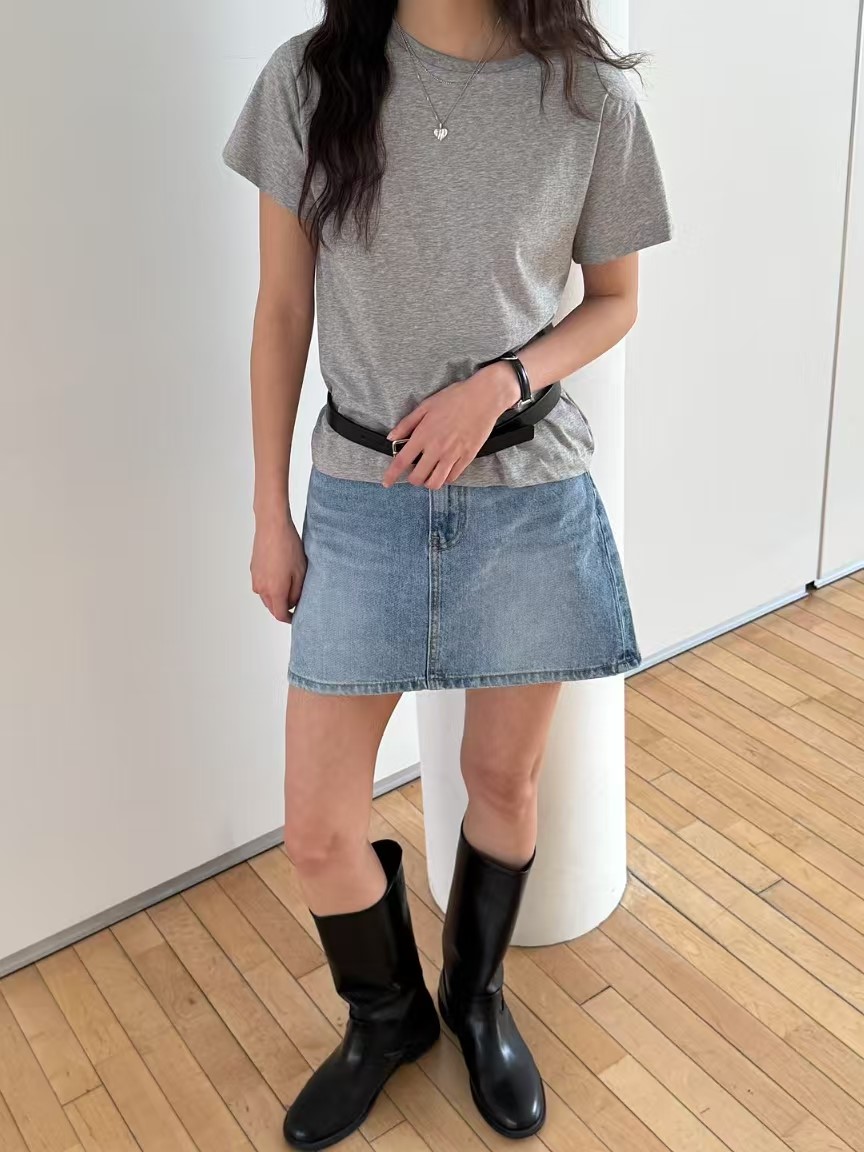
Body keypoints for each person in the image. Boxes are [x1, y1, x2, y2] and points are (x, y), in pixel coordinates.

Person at [223, 0, 671, 1146]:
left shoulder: (589, 96)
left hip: (524, 497)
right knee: (318, 829)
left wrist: (501, 382)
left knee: (502, 784)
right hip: (360, 497)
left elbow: (615, 301)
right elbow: (282, 310)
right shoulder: (308, 80)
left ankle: (476, 1001)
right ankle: (388, 1020)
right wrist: (270, 511)